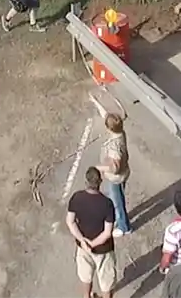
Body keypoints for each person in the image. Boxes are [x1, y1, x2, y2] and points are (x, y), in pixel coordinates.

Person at [66, 167, 118, 298]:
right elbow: (107, 232)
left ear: (86, 182)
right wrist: (93, 244)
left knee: (85, 276)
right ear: (100, 182)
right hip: (103, 249)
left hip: (82, 247)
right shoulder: (107, 204)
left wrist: (83, 241)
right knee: (106, 282)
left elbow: (70, 222)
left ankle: (86, 296)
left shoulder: (76, 198)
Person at [99, 113, 131, 235]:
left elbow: (115, 168)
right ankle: (121, 220)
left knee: (117, 201)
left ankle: (124, 227)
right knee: (117, 198)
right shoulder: (121, 133)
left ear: (109, 128)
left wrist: (101, 168)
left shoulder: (114, 146)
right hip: (123, 173)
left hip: (116, 178)